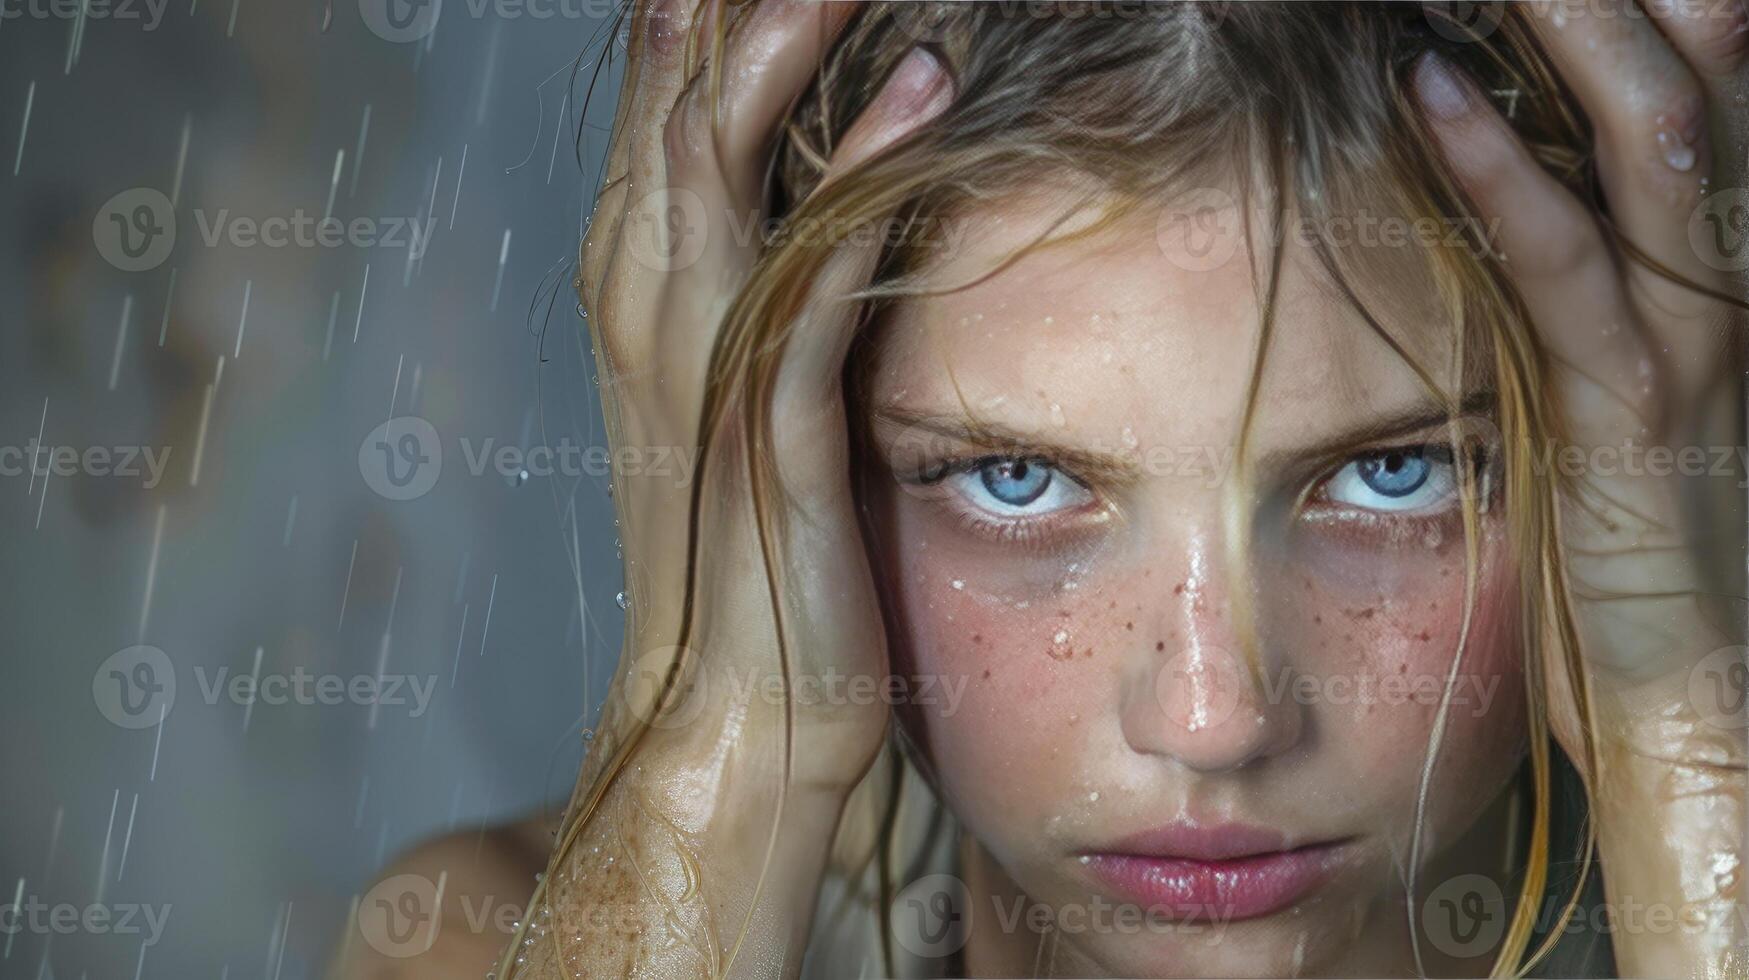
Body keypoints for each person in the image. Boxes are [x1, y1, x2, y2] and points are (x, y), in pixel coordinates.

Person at [349, 2, 1749, 977]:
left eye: (1394, 475)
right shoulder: (488, 940)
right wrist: (720, 734)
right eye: (1013, 483)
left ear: (1613, 459)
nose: (1213, 721)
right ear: (795, 467)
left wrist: (1688, 729)